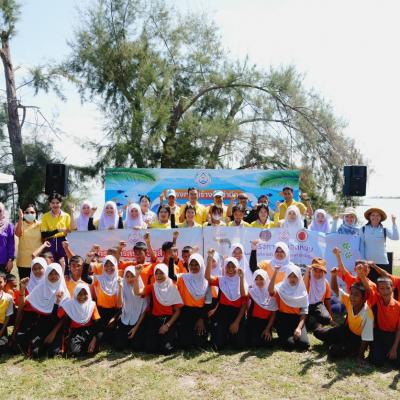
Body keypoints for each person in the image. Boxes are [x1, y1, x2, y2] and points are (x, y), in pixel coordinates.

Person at [314, 268, 373, 364]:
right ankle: (332, 339)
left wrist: (360, 356)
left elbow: (366, 338)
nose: (352, 297)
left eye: (356, 295)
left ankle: (346, 348)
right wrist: (333, 275)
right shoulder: (349, 300)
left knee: (334, 351)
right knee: (317, 333)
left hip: (357, 339)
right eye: (351, 294)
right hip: (346, 331)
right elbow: (336, 290)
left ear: (363, 299)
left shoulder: (368, 314)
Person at [133, 263, 183, 354]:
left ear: (166, 273)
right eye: (156, 273)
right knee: (150, 349)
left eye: (161, 273)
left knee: (166, 350)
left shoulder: (173, 288)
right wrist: (136, 275)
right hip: (154, 320)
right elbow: (137, 292)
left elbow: (177, 311)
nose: (158, 276)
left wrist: (167, 326)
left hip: (168, 320)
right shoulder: (153, 286)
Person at [23, 263, 70, 358]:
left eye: (56, 274)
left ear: (60, 275)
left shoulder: (64, 293)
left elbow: (63, 318)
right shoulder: (40, 288)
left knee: (54, 353)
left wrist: (52, 333)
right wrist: (22, 290)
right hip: (42, 325)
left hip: (57, 327)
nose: (53, 276)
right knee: (35, 353)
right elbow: (26, 302)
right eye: (50, 274)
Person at [357, 273, 400, 368]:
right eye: (382, 288)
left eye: (388, 288)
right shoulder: (376, 300)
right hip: (379, 335)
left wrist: (394, 348)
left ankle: (389, 352)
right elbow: (368, 289)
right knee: (377, 361)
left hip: (394, 336)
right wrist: (362, 275)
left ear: (392, 288)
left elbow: (399, 329)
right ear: (378, 290)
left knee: (397, 364)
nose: (385, 291)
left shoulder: (398, 306)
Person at [205, 253, 248, 351]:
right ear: (225, 268)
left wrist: (236, 323)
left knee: (240, 345)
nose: (230, 269)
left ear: (237, 267)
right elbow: (207, 278)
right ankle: (225, 335)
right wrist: (210, 259)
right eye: (228, 267)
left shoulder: (242, 281)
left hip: (237, 314)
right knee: (218, 345)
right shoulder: (221, 280)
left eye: (233, 267)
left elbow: (244, 303)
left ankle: (229, 336)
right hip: (222, 314)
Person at [169, 253, 210, 350]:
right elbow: (171, 276)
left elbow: (208, 303)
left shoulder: (206, 281)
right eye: (191, 264)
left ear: (201, 265)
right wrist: (171, 259)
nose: (193, 267)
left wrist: (201, 319)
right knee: (186, 345)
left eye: (196, 264)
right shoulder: (184, 278)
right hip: (186, 313)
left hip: (201, 314)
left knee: (200, 345)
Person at [268, 264, 310, 351]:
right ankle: (283, 338)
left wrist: (299, 328)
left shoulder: (302, 291)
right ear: (286, 277)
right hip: (283, 319)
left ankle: (288, 336)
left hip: (297, 320)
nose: (292, 279)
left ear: (299, 277)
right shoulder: (280, 288)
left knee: (304, 344)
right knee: (289, 345)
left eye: (295, 276)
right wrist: (275, 272)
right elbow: (271, 291)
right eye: (290, 276)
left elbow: (304, 312)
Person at [57, 283, 101, 356]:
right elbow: (59, 314)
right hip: (75, 332)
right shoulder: (69, 304)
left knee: (97, 339)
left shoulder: (92, 305)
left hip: (89, 331)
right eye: (79, 294)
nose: (82, 296)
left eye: (85, 294)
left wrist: (94, 340)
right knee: (75, 352)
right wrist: (59, 301)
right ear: (75, 294)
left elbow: (97, 322)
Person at [114, 266, 147, 351]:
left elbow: (144, 312)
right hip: (125, 320)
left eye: (132, 276)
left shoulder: (142, 289)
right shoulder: (122, 287)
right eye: (127, 276)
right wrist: (120, 287)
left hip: (138, 321)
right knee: (118, 346)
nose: (130, 279)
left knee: (137, 347)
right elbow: (119, 305)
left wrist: (136, 328)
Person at [360, 208, 398, 281]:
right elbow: (361, 246)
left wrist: (394, 222)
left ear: (381, 218)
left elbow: (395, 237)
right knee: (369, 286)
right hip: (368, 264)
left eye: (378, 215)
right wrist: (363, 261)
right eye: (373, 215)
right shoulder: (363, 229)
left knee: (384, 286)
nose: (375, 217)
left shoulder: (384, 229)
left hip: (383, 262)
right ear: (369, 217)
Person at [92, 255, 123, 344]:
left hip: (115, 312)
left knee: (117, 341)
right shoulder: (98, 278)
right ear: (103, 266)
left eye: (111, 265)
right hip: (101, 312)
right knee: (100, 338)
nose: (109, 268)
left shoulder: (120, 280)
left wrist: (114, 317)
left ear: (115, 265)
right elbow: (85, 278)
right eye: (106, 265)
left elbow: (120, 305)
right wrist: (88, 260)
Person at [246, 269, 277, 348]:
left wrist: (267, 329)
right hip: (254, 321)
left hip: (266, 323)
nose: (258, 281)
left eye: (261, 279)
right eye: (256, 279)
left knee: (267, 344)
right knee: (254, 344)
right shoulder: (252, 291)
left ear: (266, 279)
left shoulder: (271, 293)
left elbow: (273, 315)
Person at [40, 193, 71, 270]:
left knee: (65, 267)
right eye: (53, 203)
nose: (55, 205)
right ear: (50, 204)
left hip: (63, 243)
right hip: (50, 243)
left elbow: (69, 232)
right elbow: (44, 235)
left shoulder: (67, 216)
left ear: (61, 203)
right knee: (50, 267)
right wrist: (58, 230)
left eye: (57, 203)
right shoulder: (45, 216)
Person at [303, 258, 333, 330]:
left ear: (324, 272)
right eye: (315, 270)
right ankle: (312, 320)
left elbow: (327, 301)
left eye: (320, 271)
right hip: (305, 304)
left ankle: (313, 320)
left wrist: (330, 317)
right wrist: (307, 271)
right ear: (311, 270)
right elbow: (304, 287)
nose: (317, 273)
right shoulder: (307, 278)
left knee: (326, 319)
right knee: (303, 321)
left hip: (318, 305)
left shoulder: (325, 283)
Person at [15, 205, 42, 279]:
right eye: (27, 212)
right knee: (24, 284)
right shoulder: (20, 223)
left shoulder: (40, 225)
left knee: (38, 284)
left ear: (36, 213)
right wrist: (20, 218)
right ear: (23, 213)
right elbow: (18, 234)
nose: (29, 214)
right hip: (23, 262)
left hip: (37, 261)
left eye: (32, 212)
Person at [0, 272, 14, 353]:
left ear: (5, 282)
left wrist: (2, 330)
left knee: (3, 346)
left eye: (0, 282)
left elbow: (8, 316)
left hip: (1, 326)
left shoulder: (8, 298)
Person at [0, 202, 15, 274]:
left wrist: (10, 260)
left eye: (0, 210)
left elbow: (11, 244)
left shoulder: (9, 226)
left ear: (3, 211)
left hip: (3, 263)